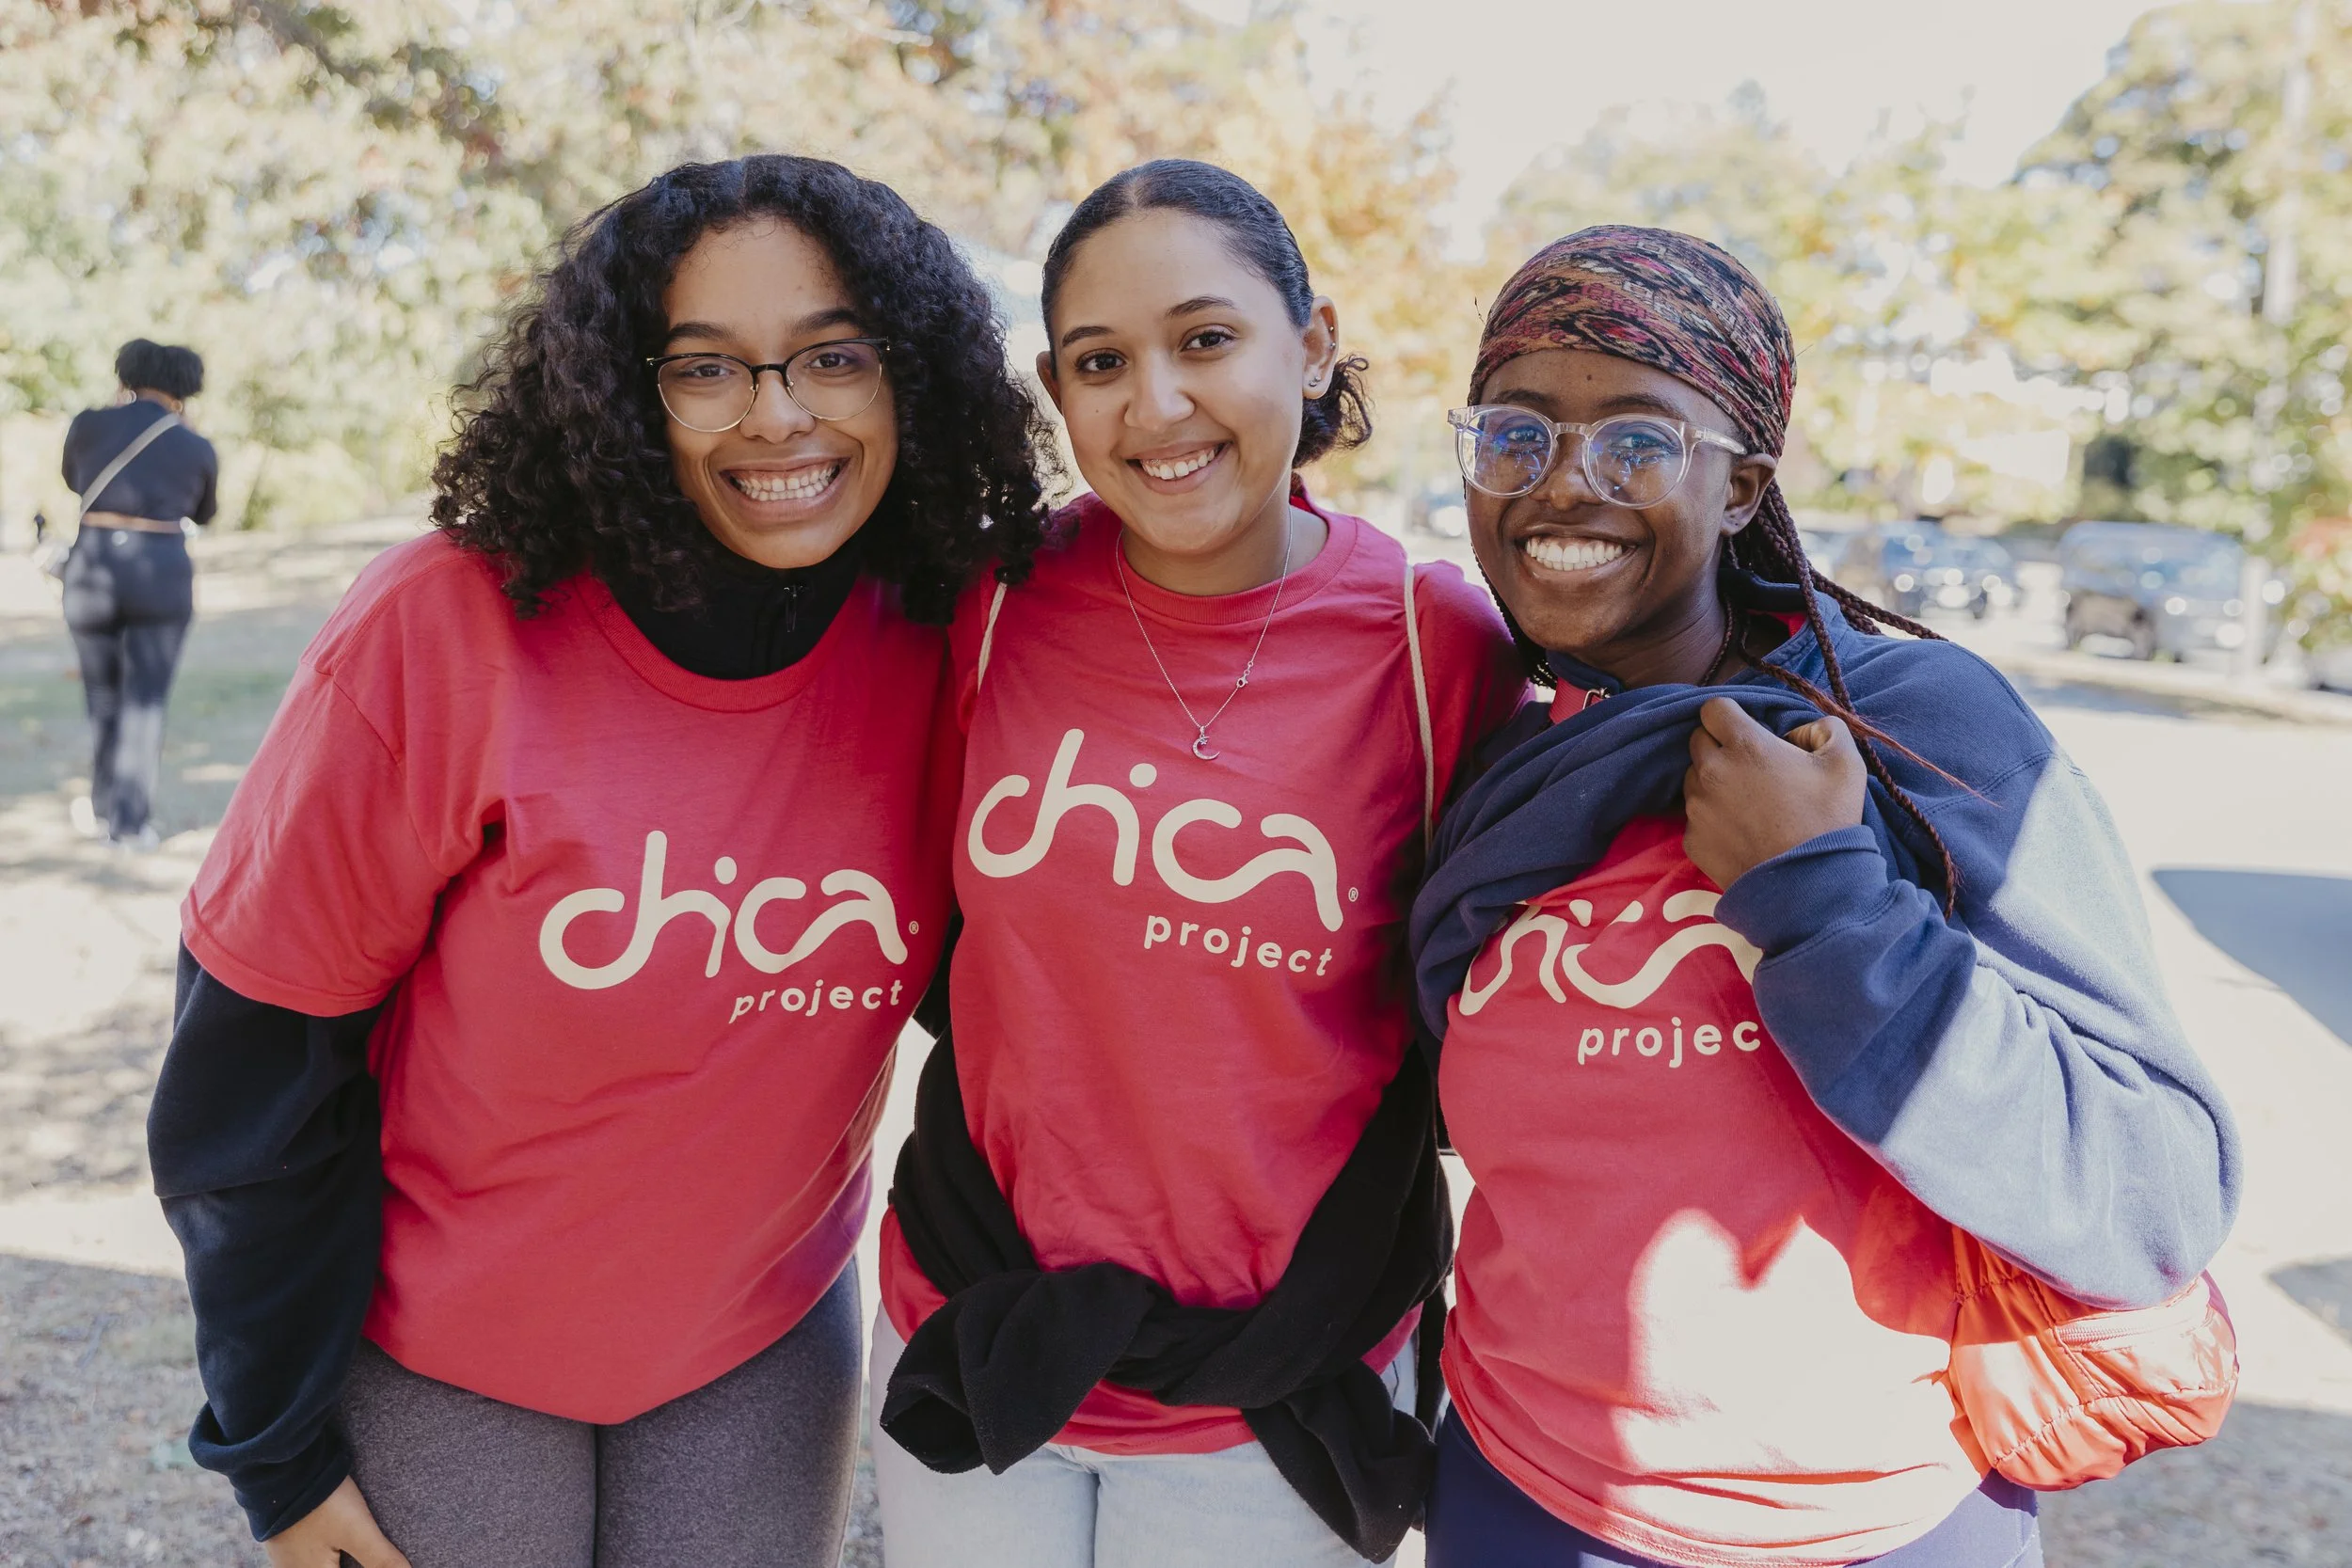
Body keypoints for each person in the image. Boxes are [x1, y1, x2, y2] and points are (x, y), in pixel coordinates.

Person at [147, 154, 1052, 1568]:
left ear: (913, 375)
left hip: (755, 1341)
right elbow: (251, 1065)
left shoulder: (956, 631)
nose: (780, 416)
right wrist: (274, 1450)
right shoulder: (447, 627)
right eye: (707, 368)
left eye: (835, 355)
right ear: (624, 394)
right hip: (442, 1347)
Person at [1407, 226, 2240, 1568]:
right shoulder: (1507, 760)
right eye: (1514, 434)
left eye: (1637, 441)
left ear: (1742, 486)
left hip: (1871, 1522)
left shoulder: (1912, 730)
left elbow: (2154, 1183)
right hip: (1519, 1494)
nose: (1562, 484)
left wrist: (1824, 902)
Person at [868, 159, 1529, 1568]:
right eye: (1101, 362)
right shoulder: (991, 608)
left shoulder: (1437, 648)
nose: (1155, 404)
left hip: (1279, 1364)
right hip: (985, 1319)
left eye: (1207, 339)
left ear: (1314, 341)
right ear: (1059, 389)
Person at [59, 339, 219, 849]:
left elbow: (72, 480)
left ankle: (103, 807)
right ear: (183, 389)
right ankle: (129, 826)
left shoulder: (87, 424)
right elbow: (205, 512)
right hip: (161, 569)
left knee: (102, 695)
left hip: (92, 565)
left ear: (126, 376)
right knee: (145, 701)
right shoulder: (193, 444)